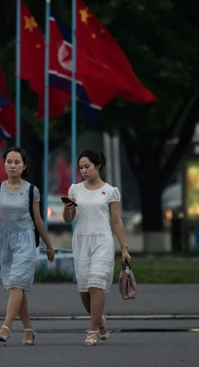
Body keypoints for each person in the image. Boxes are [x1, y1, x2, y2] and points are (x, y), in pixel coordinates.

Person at [0, 147, 55, 346]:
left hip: (25, 240)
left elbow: (39, 220)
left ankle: (6, 327)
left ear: (24, 166)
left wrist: (49, 245)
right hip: (4, 241)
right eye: (9, 161)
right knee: (17, 288)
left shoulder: (32, 190)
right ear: (4, 164)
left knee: (16, 284)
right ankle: (29, 329)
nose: (12, 165)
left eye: (17, 162)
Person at [63, 148, 131, 346]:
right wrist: (68, 209)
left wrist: (124, 248)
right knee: (84, 291)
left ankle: (92, 331)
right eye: (81, 167)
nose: (83, 171)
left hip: (102, 241)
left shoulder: (110, 191)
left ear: (98, 165)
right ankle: (99, 320)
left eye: (87, 166)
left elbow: (117, 221)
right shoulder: (75, 189)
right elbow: (68, 220)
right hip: (82, 241)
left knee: (96, 284)